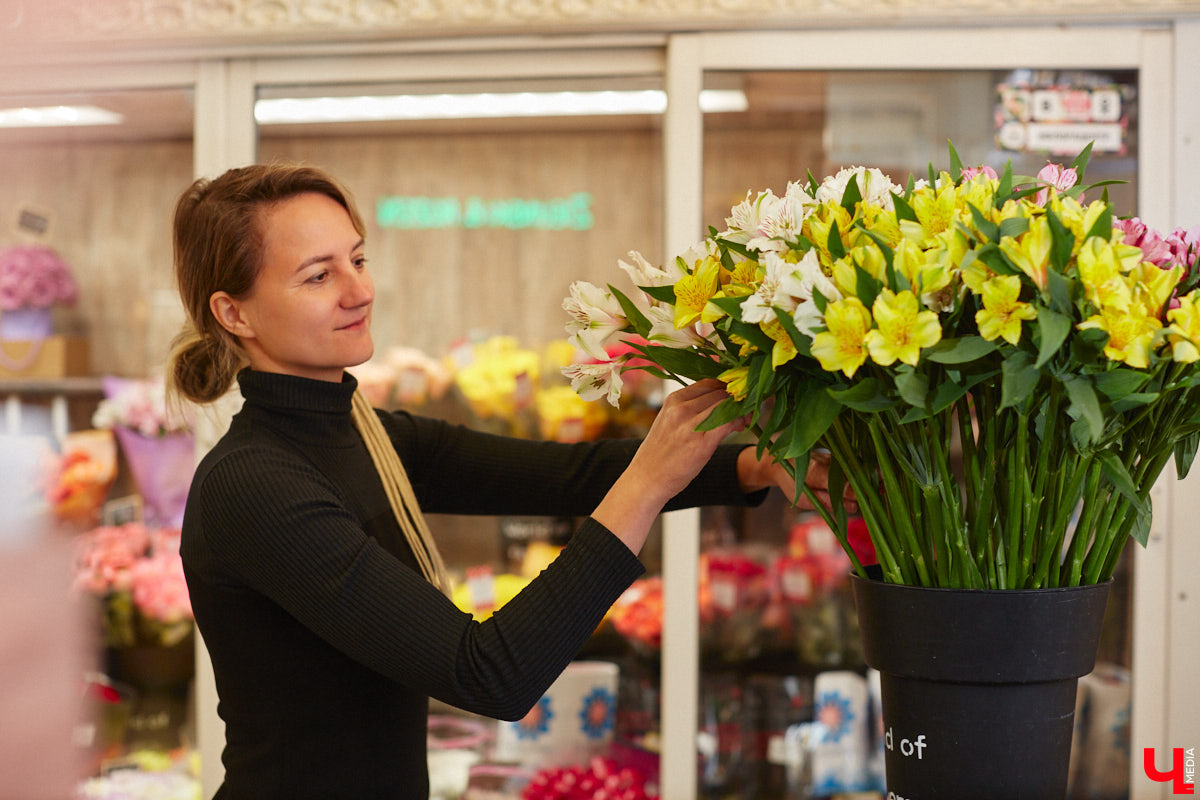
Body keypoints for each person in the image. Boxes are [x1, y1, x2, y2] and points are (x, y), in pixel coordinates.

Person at [167, 163, 846, 799]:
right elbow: (488, 671)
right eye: (319, 275)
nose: (359, 290)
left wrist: (755, 464)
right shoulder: (253, 487)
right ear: (235, 313)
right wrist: (648, 485)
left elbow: (566, 475)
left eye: (359, 258)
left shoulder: (366, 432)